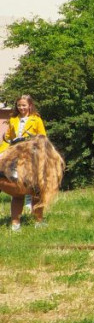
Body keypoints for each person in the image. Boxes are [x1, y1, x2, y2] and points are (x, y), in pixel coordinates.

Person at [1, 95, 48, 229]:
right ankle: (15, 224)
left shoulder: (36, 119)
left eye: (24, 105)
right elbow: (8, 138)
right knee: (15, 188)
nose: (21, 108)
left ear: (30, 106)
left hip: (31, 150)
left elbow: (42, 137)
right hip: (16, 150)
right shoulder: (13, 119)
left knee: (37, 189)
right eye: (19, 105)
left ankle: (38, 221)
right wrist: (2, 151)